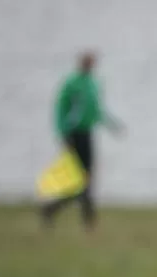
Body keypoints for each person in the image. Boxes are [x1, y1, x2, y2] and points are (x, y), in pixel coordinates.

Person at [41, 51, 123, 231]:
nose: (90, 65)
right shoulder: (71, 84)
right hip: (73, 134)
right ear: (81, 63)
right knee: (80, 179)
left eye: (92, 62)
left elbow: (96, 110)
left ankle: (61, 211)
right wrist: (63, 133)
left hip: (87, 133)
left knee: (87, 178)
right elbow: (61, 109)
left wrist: (113, 125)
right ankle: (79, 216)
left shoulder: (93, 83)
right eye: (87, 62)